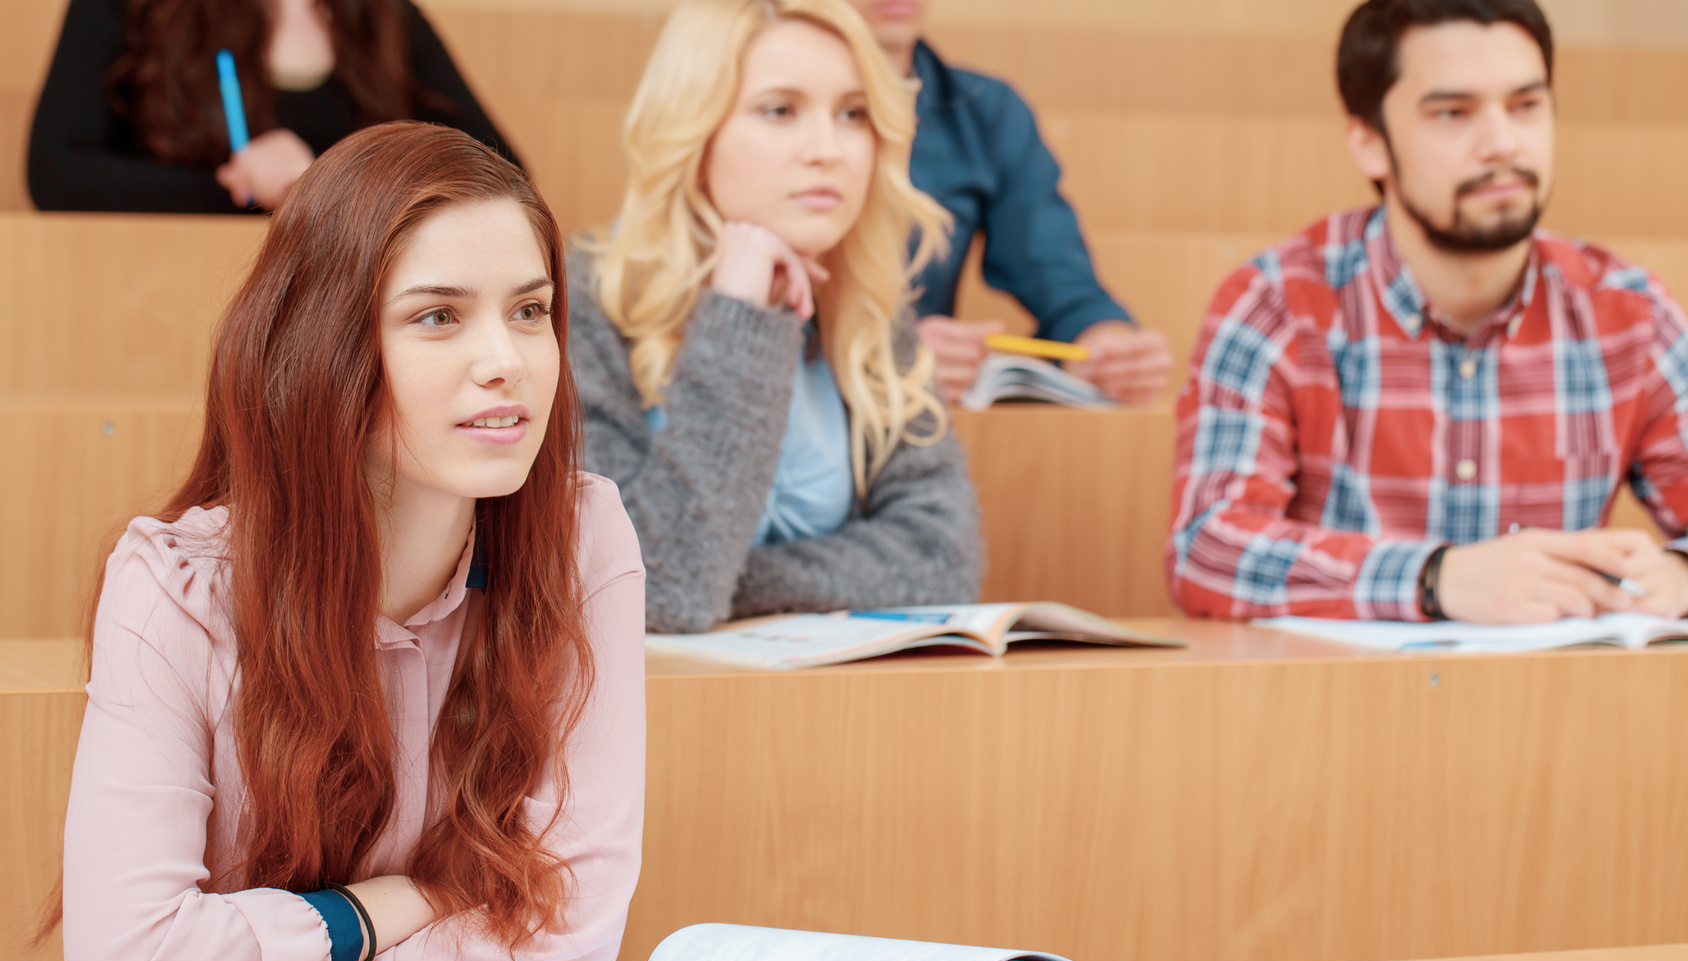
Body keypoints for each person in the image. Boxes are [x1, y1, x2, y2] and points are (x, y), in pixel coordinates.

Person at [0, 122, 645, 961]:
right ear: (324, 349)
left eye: (531, 310)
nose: (506, 359)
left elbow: (568, 943)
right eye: (438, 316)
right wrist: (413, 899)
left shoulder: (583, 538)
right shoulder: (174, 585)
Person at [1167, 0, 1688, 623]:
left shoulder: (1629, 314)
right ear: (1369, 144)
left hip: (1551, 708)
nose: (1502, 143)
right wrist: (1436, 578)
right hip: (1328, 707)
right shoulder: (1276, 305)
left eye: (1526, 105)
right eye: (1452, 114)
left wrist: (1679, 574)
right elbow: (1206, 547)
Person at [572, 0, 982, 635]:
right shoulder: (582, 304)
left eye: (853, 114)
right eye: (780, 111)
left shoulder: (864, 304)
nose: (828, 150)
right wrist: (738, 318)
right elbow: (665, 592)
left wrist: (737, 579)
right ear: (695, 134)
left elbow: (941, 557)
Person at [841, 0, 1172, 406]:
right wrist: (879, 350)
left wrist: (1104, 348)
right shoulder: (751, 107)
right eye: (783, 110)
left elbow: (1055, 272)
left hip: (916, 429)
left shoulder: (984, 112)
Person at [28, 0, 517, 213]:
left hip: (339, 317)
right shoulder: (132, 7)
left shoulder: (386, 17)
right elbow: (55, 173)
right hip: (160, 293)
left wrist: (314, 190)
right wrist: (241, 195)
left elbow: (504, 180)